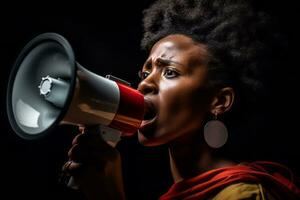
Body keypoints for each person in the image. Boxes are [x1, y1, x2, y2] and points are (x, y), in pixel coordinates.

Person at [62, 0, 300, 199]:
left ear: (219, 101)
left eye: (170, 72)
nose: (145, 84)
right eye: (145, 73)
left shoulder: (243, 194)